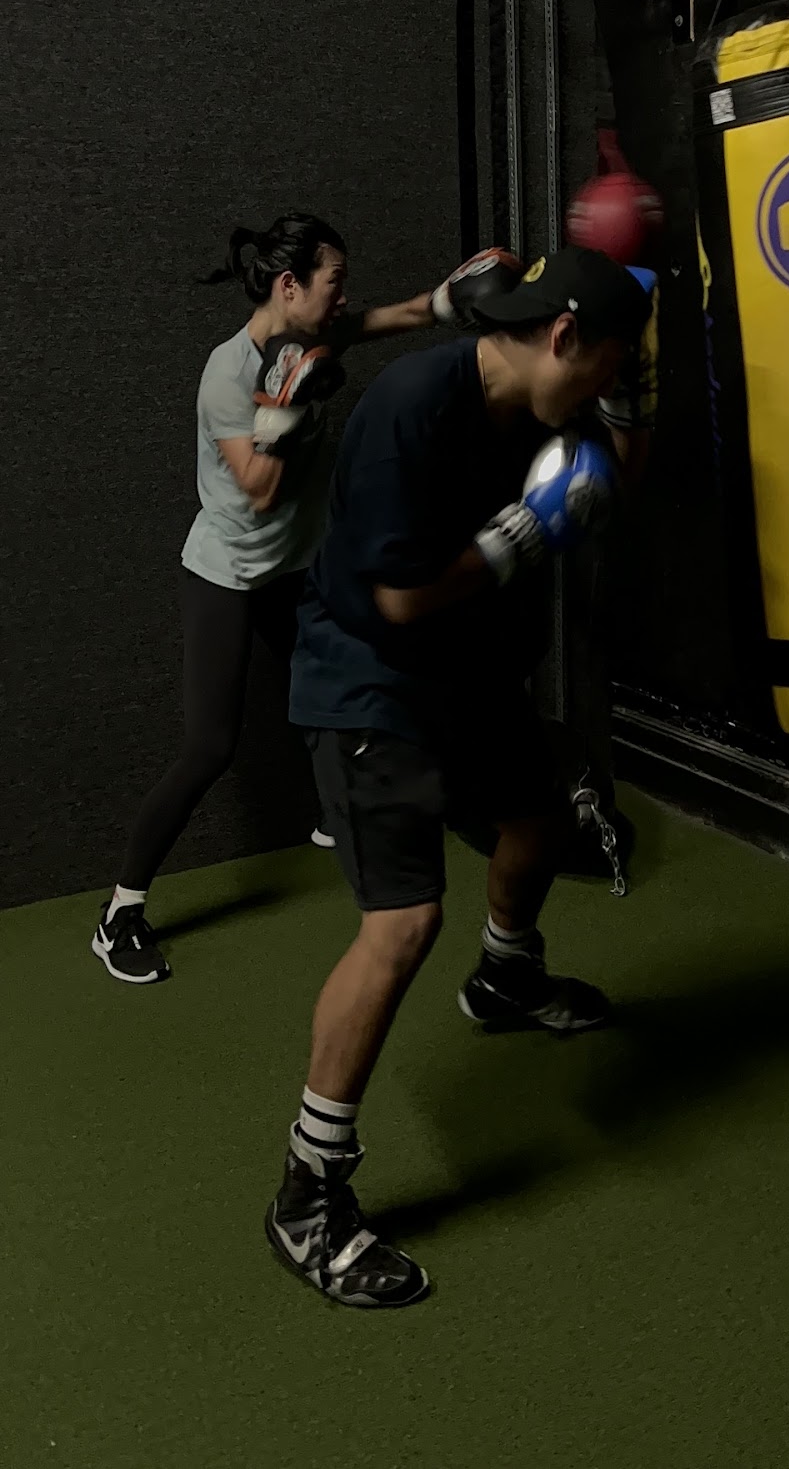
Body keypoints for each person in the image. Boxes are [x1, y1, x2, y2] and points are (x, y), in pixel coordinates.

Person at [265, 246, 655, 1309]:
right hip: (368, 676)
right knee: (402, 922)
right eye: (608, 363)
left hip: (466, 667)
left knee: (539, 820)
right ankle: (308, 1192)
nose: (608, 384)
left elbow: (615, 475)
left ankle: (507, 979)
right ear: (562, 337)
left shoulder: (542, 398)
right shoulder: (411, 410)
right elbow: (398, 600)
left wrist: (631, 398)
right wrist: (524, 535)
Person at [91, 214, 517, 987]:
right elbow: (259, 490)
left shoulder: (314, 335)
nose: (343, 295)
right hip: (227, 574)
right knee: (209, 747)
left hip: (298, 569)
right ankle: (120, 910)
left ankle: (414, 811)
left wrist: (449, 300)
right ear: (290, 286)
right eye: (333, 281)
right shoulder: (227, 374)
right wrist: (281, 408)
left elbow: (393, 317)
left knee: (370, 676)